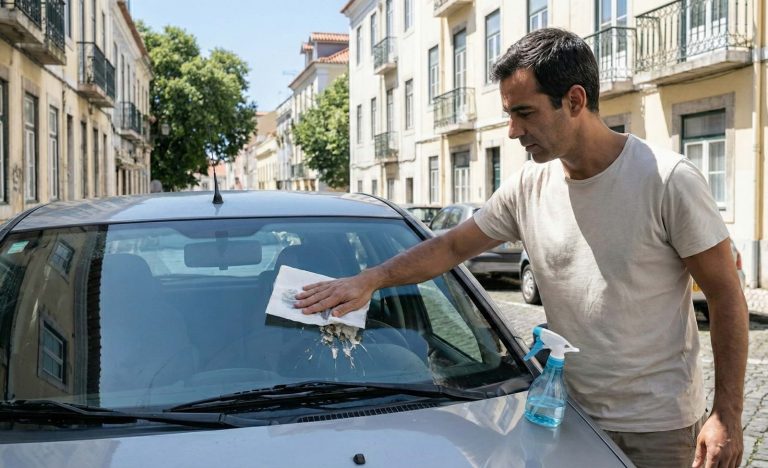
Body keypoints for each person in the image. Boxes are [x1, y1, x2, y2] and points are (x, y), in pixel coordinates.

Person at [294, 28, 748, 468]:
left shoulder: (667, 179)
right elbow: (451, 246)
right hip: (562, 416)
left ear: (574, 100)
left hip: (657, 429)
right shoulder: (528, 187)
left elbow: (727, 296)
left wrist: (725, 414)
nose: (512, 131)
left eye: (524, 113)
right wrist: (370, 279)